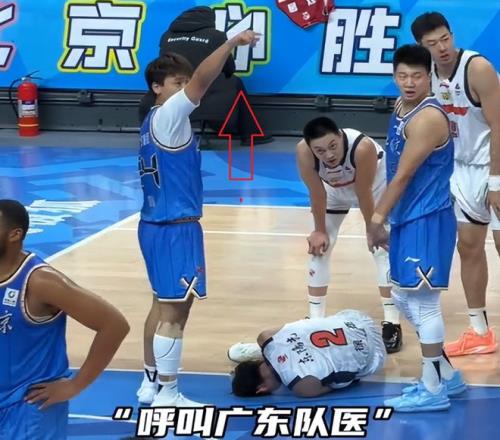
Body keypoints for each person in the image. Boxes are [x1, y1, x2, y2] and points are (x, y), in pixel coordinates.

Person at [136, 30, 260, 408]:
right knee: (175, 312)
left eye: (184, 82)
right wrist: (230, 44)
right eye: (178, 83)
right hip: (175, 227)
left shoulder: (152, 120)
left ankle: (150, 382)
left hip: (154, 225)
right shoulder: (170, 115)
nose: (186, 88)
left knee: (161, 306)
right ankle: (168, 393)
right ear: (157, 87)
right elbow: (204, 79)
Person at [367, 44, 466, 412]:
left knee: (424, 304)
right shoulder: (401, 106)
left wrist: (375, 219)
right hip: (408, 217)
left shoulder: (427, 119)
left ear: (430, 77)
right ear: (394, 76)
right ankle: (447, 375)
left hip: (426, 219)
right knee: (402, 296)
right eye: (402, 76)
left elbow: (404, 175)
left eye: (417, 76)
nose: (409, 83)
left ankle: (433, 388)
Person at [0, 199, 129, 439]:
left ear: (14, 235)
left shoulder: (41, 282)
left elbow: (114, 324)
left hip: (28, 410)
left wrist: (75, 386)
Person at [411, 12, 500, 357]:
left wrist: (496, 181)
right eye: (432, 44)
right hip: (461, 168)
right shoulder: (425, 77)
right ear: (422, 47)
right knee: (469, 246)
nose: (442, 48)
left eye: (445, 39)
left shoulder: (477, 69)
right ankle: (480, 332)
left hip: (495, 161)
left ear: (452, 35)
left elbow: (499, 126)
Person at [296, 117, 402, 353]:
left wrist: (373, 229)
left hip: (374, 187)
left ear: (340, 136)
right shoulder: (303, 152)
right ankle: (315, 321)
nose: (329, 155)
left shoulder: (362, 148)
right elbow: (316, 193)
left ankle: (392, 321)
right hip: (334, 191)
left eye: (333, 146)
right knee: (319, 249)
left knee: (381, 249)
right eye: (320, 151)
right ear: (311, 148)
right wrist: (319, 231)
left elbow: (363, 193)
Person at [139, 6, 272, 146]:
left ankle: (149, 136)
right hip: (202, 93)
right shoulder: (216, 36)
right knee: (235, 82)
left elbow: (163, 66)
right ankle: (251, 134)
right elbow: (229, 69)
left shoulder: (166, 36)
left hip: (169, 96)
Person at [229, 309, 385, 397]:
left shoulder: (303, 388)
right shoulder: (265, 337)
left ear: (261, 389)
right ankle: (261, 352)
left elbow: (344, 383)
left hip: (375, 354)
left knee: (334, 377)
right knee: (292, 335)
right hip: (355, 319)